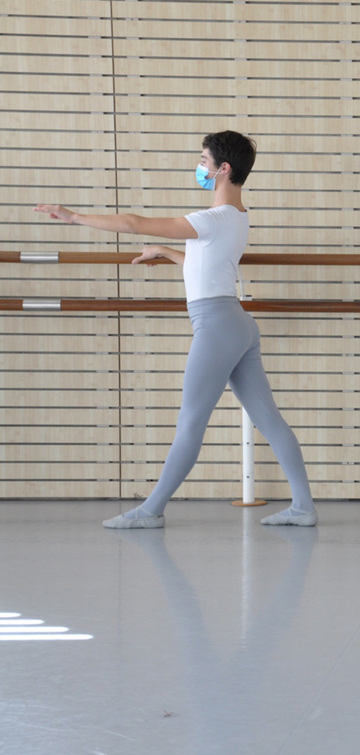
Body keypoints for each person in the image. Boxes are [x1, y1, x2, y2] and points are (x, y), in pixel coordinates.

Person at [34, 131, 317, 528]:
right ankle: (303, 507)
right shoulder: (235, 218)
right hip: (236, 323)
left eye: (204, 160)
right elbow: (206, 265)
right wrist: (167, 253)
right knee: (269, 420)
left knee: (191, 421)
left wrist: (74, 216)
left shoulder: (209, 219)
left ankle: (151, 510)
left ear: (223, 169)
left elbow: (134, 223)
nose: (200, 167)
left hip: (217, 326)